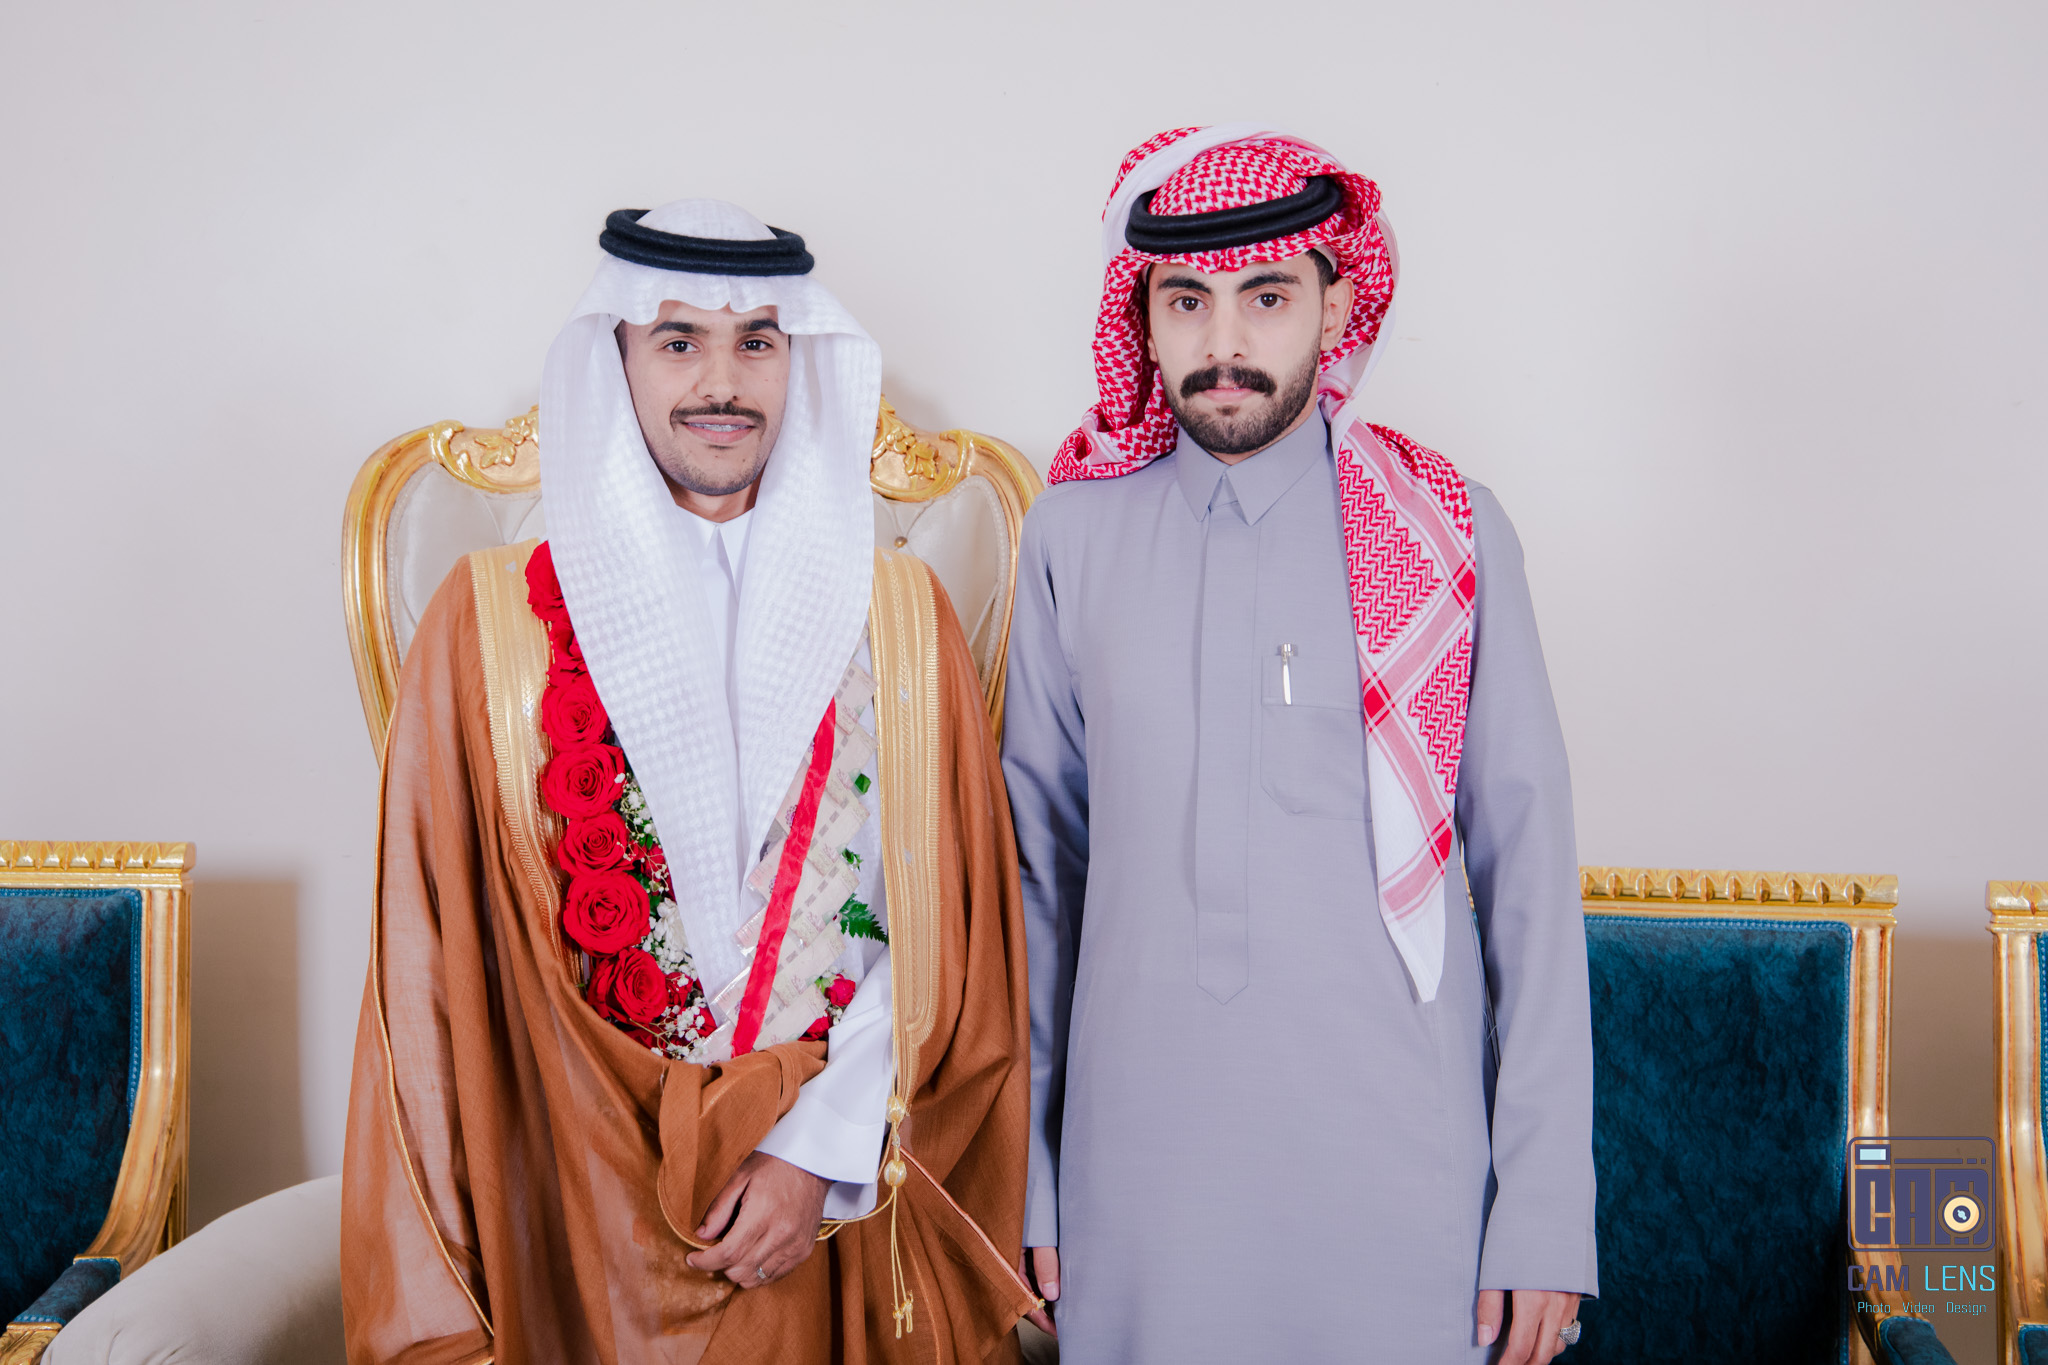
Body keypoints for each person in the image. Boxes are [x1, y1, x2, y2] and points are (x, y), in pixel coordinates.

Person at [342, 199, 1036, 1365]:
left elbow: (947, 936)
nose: (723, 381)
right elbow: (431, 965)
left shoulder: (900, 618)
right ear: (614, 360)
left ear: (798, 361)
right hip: (570, 1196)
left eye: (757, 341)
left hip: (824, 1200)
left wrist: (813, 1152)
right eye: (678, 341)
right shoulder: (486, 626)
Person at [1001, 126, 1598, 1364]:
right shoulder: (1068, 538)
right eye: (1186, 300)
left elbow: (1530, 882)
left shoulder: (1445, 532)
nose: (1223, 342)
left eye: (1265, 297)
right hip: (1135, 1179)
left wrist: (1543, 1208)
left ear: (1334, 306)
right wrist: (1026, 1181)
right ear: (1141, 320)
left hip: (1401, 1171)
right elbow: (1033, 889)